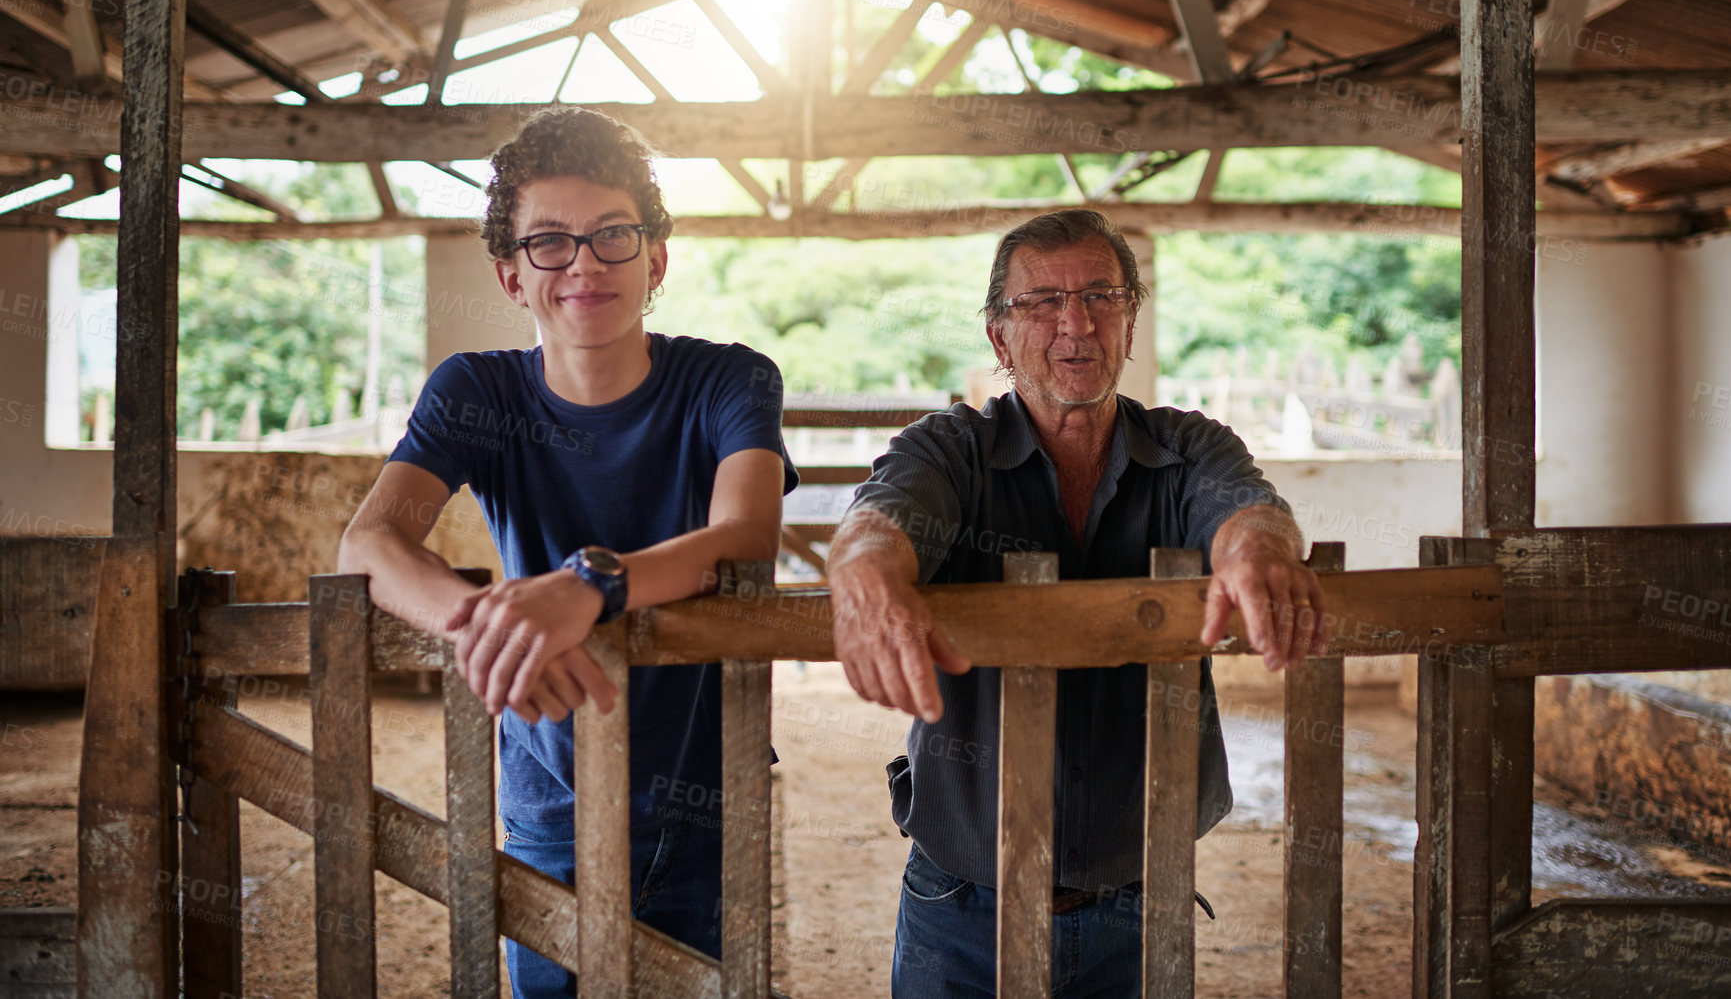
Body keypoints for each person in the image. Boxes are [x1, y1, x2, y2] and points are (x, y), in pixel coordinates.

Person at [338, 107, 797, 996]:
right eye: (549, 242)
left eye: (611, 236)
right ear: (511, 275)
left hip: (704, 789)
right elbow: (371, 539)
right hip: (548, 789)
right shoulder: (475, 389)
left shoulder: (730, 380)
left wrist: (590, 585)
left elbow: (744, 535)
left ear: (655, 258)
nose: (583, 263)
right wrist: (484, 621)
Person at [826, 209, 1326, 997]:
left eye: (1101, 295)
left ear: (1130, 321)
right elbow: (880, 518)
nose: (1076, 322)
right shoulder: (951, 449)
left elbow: (1247, 511)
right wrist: (863, 571)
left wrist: (1257, 551)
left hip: (1139, 896)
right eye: (1041, 302)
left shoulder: (1188, 447)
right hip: (961, 900)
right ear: (999, 337)